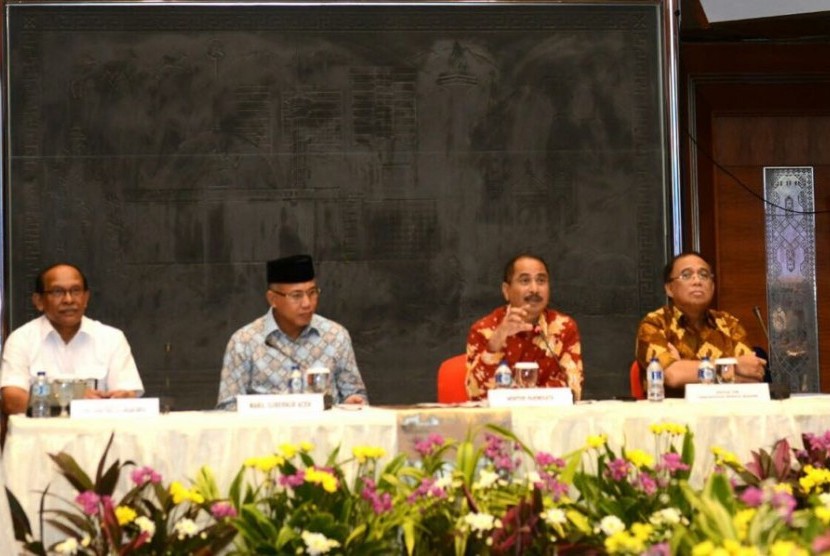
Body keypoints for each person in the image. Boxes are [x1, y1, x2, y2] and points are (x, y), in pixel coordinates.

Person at [217, 254, 368, 409]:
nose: (307, 303)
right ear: (272, 299)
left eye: (312, 293)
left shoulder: (335, 336)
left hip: (323, 431)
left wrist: (354, 402)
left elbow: (355, 394)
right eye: (296, 296)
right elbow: (228, 407)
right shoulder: (244, 342)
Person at [0, 263, 144, 416]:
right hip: (41, 437)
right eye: (57, 292)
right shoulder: (21, 339)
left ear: (86, 298)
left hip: (98, 436)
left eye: (75, 291)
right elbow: (12, 401)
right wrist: (73, 399)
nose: (68, 300)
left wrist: (125, 398)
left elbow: (128, 394)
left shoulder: (112, 338)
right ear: (39, 301)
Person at [635, 251, 767, 397]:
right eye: (686, 275)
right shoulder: (654, 324)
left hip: (723, 413)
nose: (697, 281)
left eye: (704, 275)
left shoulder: (729, 324)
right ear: (669, 289)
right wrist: (732, 367)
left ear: (712, 286)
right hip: (673, 416)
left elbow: (752, 376)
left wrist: (687, 370)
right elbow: (673, 376)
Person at [465, 253, 583, 401]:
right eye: (525, 280)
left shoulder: (564, 327)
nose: (534, 289)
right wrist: (495, 343)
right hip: (500, 421)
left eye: (541, 280)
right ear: (506, 291)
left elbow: (572, 388)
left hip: (547, 419)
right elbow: (476, 394)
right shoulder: (484, 329)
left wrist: (522, 400)